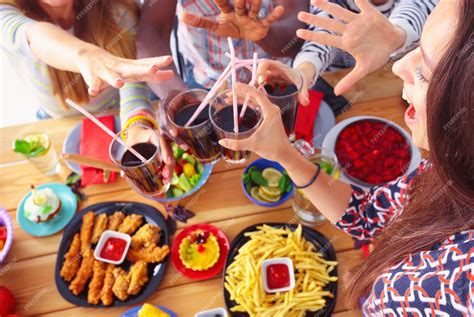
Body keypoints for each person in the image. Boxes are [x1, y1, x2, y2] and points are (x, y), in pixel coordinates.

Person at [219, 0, 473, 314]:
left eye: (424, 71)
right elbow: (367, 215)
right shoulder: (449, 166)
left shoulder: (459, 290)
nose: (397, 67)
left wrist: (400, 33)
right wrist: (283, 152)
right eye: (416, 46)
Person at [0, 0, 174, 132]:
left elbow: (131, 79)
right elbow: (34, 35)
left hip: (119, 114)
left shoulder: (118, 8)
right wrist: (86, 56)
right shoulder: (6, 13)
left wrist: (136, 124)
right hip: (57, 124)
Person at [258, 0, 438, 105]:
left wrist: (397, 34)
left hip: (394, 85)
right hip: (334, 80)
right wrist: (303, 72)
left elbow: (413, 12)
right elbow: (322, 37)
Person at [136, 0, 309, 101]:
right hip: (208, 87)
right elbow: (151, 31)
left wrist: (262, 34)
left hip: (275, 82)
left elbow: (295, 40)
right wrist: (175, 95)